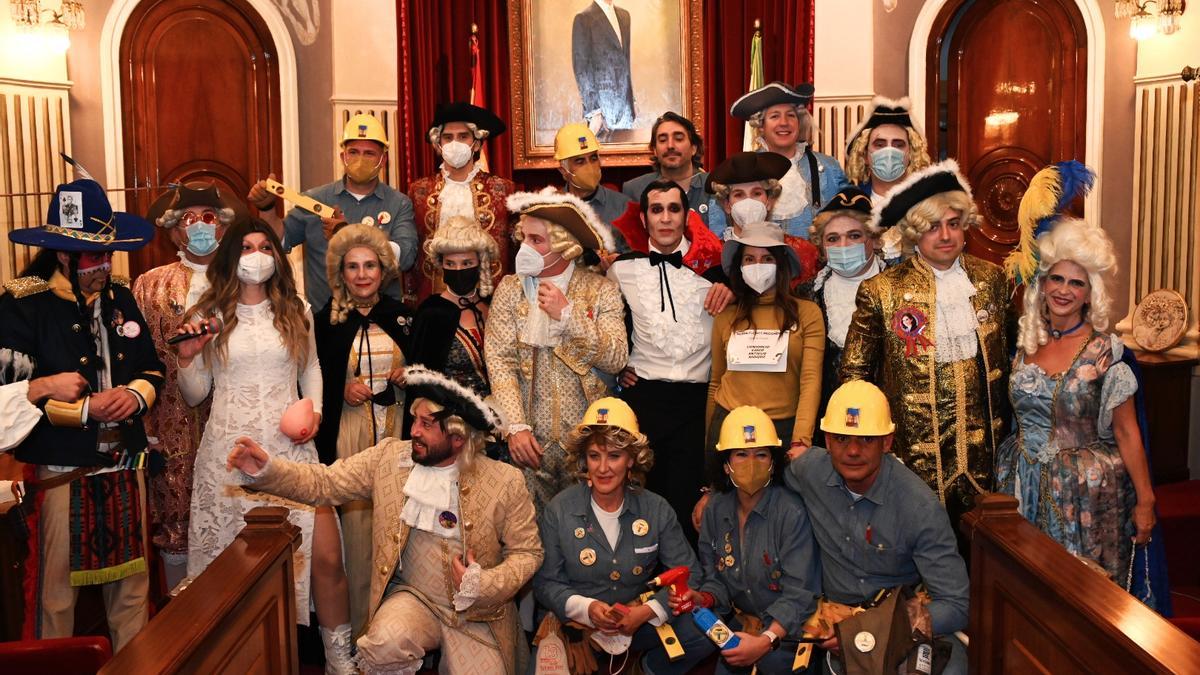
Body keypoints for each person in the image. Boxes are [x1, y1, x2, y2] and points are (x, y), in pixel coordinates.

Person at [227, 365, 543, 674]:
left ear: (458, 437)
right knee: (383, 644)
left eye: (426, 424)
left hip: (477, 613)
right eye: (415, 420)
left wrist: (485, 584)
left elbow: (528, 553)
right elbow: (325, 483)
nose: (414, 431)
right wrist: (266, 470)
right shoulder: (390, 458)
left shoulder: (505, 481)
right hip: (414, 599)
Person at [174, 218, 353, 672]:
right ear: (232, 257)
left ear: (276, 256)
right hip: (229, 454)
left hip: (289, 450)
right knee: (234, 571)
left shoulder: (296, 308)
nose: (256, 256)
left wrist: (313, 412)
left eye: (265, 248)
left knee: (325, 559)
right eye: (247, 248)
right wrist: (187, 358)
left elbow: (310, 367)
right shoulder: (207, 312)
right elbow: (195, 393)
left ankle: (339, 663)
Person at [0, 179, 163, 651]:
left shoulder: (120, 296)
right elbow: (12, 397)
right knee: (55, 599)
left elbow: (152, 368)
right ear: (65, 256)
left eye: (108, 254)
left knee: (133, 596)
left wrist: (135, 395)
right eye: (94, 256)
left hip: (125, 466)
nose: (105, 265)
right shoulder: (23, 304)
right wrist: (84, 409)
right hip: (62, 470)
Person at [996, 162, 1156, 590]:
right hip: (1019, 484)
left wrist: (1146, 500)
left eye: (1077, 283)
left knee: (1079, 596)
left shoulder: (1105, 352)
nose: (1064, 290)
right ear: (1042, 283)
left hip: (1085, 497)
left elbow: (1126, 432)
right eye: (1056, 279)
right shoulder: (1024, 342)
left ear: (1091, 294)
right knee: (1022, 589)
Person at [841, 160, 1011, 529]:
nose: (946, 235)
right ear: (915, 233)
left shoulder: (992, 280)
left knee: (986, 554)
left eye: (953, 224)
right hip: (913, 458)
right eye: (933, 227)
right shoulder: (881, 291)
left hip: (987, 457)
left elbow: (1011, 360)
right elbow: (854, 378)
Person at [785, 381, 969, 674]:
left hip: (901, 623)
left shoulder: (919, 507)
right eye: (842, 438)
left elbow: (956, 605)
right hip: (833, 626)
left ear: (887, 442)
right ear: (827, 441)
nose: (853, 451)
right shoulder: (809, 471)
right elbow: (763, 476)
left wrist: (875, 626)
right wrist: (715, 494)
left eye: (867, 439)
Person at [533, 398, 714, 674]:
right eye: (594, 456)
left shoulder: (656, 508)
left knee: (706, 629)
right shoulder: (559, 509)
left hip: (639, 623)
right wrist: (587, 608)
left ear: (632, 459)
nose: (603, 468)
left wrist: (646, 612)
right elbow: (546, 582)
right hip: (577, 626)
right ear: (584, 460)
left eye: (614, 456)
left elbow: (690, 573)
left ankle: (647, 667)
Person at [485, 188, 627, 513]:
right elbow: (500, 361)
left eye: (537, 241)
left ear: (563, 246)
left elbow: (617, 358)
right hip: (529, 448)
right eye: (524, 239)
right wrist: (516, 427)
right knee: (531, 539)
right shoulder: (510, 290)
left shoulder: (600, 289)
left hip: (589, 447)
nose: (526, 248)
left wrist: (568, 317)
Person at [606, 179, 730, 541]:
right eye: (656, 210)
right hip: (644, 398)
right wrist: (619, 368)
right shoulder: (620, 270)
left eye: (673, 209)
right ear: (643, 218)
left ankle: (688, 590)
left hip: (698, 401)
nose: (665, 218)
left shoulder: (715, 268)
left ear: (686, 216)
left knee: (690, 504)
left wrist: (733, 290)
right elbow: (607, 324)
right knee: (642, 503)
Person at [133, 181, 242, 589]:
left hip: (234, 422)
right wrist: (143, 425)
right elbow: (137, 360)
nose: (198, 227)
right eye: (188, 220)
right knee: (174, 521)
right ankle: (180, 618)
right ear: (175, 231)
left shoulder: (244, 279)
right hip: (168, 425)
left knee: (235, 514)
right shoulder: (148, 285)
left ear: (223, 228)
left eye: (208, 218)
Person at [312, 223, 411, 638]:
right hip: (350, 437)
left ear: (383, 268)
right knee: (355, 537)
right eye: (352, 266)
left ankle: (400, 631)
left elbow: (432, 376)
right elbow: (312, 378)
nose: (362, 274)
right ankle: (358, 634)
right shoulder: (326, 321)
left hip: (398, 431)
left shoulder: (406, 316)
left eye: (370, 265)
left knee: (402, 531)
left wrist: (411, 374)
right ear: (340, 272)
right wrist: (340, 386)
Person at [682, 405, 819, 674]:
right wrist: (702, 598)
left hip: (788, 632)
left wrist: (766, 641)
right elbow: (716, 580)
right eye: (741, 455)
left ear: (773, 462)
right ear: (726, 464)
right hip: (742, 625)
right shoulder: (715, 509)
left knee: (773, 662)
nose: (752, 463)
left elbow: (800, 595)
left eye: (761, 454)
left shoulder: (791, 512)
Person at [247, 113, 418, 308]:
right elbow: (279, 240)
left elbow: (405, 257)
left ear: (383, 159)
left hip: (381, 321)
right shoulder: (314, 199)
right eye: (353, 152)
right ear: (342, 156)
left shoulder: (399, 203)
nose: (360, 159)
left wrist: (347, 234)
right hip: (327, 322)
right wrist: (267, 208)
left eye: (369, 153)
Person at [707, 222, 825, 461]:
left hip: (783, 429)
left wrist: (801, 439)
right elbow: (716, 382)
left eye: (767, 258)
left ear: (780, 265)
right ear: (740, 267)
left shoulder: (807, 312)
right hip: (728, 425)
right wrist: (709, 444)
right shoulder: (727, 314)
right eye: (749, 259)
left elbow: (810, 380)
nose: (757, 266)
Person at [406, 101, 516, 302]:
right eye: (448, 138)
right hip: (434, 298)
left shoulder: (503, 189)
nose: (454, 143)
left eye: (463, 136)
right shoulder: (419, 191)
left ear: (477, 142)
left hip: (491, 299)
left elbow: (516, 247)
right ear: (438, 144)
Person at [712, 82, 849, 240]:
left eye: (790, 115)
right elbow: (718, 231)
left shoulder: (829, 167)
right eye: (775, 116)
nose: (784, 122)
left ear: (799, 122)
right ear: (761, 125)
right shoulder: (740, 169)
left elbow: (847, 221)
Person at [409, 216, 501, 440]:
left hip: (500, 420)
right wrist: (469, 412)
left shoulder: (494, 306)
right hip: (452, 425)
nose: (458, 270)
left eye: (466, 264)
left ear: (480, 262)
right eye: (451, 264)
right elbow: (423, 379)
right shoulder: (431, 312)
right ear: (441, 266)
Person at [807, 187, 885, 446]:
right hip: (827, 428)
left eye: (854, 236)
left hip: (886, 426)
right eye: (832, 239)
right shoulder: (806, 295)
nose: (843, 246)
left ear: (872, 239)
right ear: (821, 246)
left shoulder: (902, 288)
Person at [706, 151, 821, 291]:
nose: (748, 201)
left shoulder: (802, 251)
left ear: (769, 201)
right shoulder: (712, 257)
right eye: (739, 195)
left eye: (756, 193)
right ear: (727, 205)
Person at [842, 96, 932, 265]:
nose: (889, 152)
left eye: (898, 145)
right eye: (880, 144)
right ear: (865, 155)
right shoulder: (848, 205)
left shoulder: (931, 205)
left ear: (911, 155)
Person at [553, 123, 634, 252]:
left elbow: (637, 259)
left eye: (593, 158)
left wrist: (618, 260)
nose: (590, 166)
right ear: (563, 170)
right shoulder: (550, 207)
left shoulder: (624, 206)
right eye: (580, 161)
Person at [621, 112, 710, 224]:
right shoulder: (634, 190)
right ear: (654, 150)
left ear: (693, 148)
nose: (670, 146)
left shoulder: (713, 187)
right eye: (663, 140)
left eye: (678, 138)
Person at [571, 0, 634, 138]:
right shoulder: (583, 19)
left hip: (626, 111)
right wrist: (595, 111)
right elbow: (582, 68)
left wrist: (630, 101)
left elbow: (625, 62)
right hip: (601, 113)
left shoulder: (624, 16)